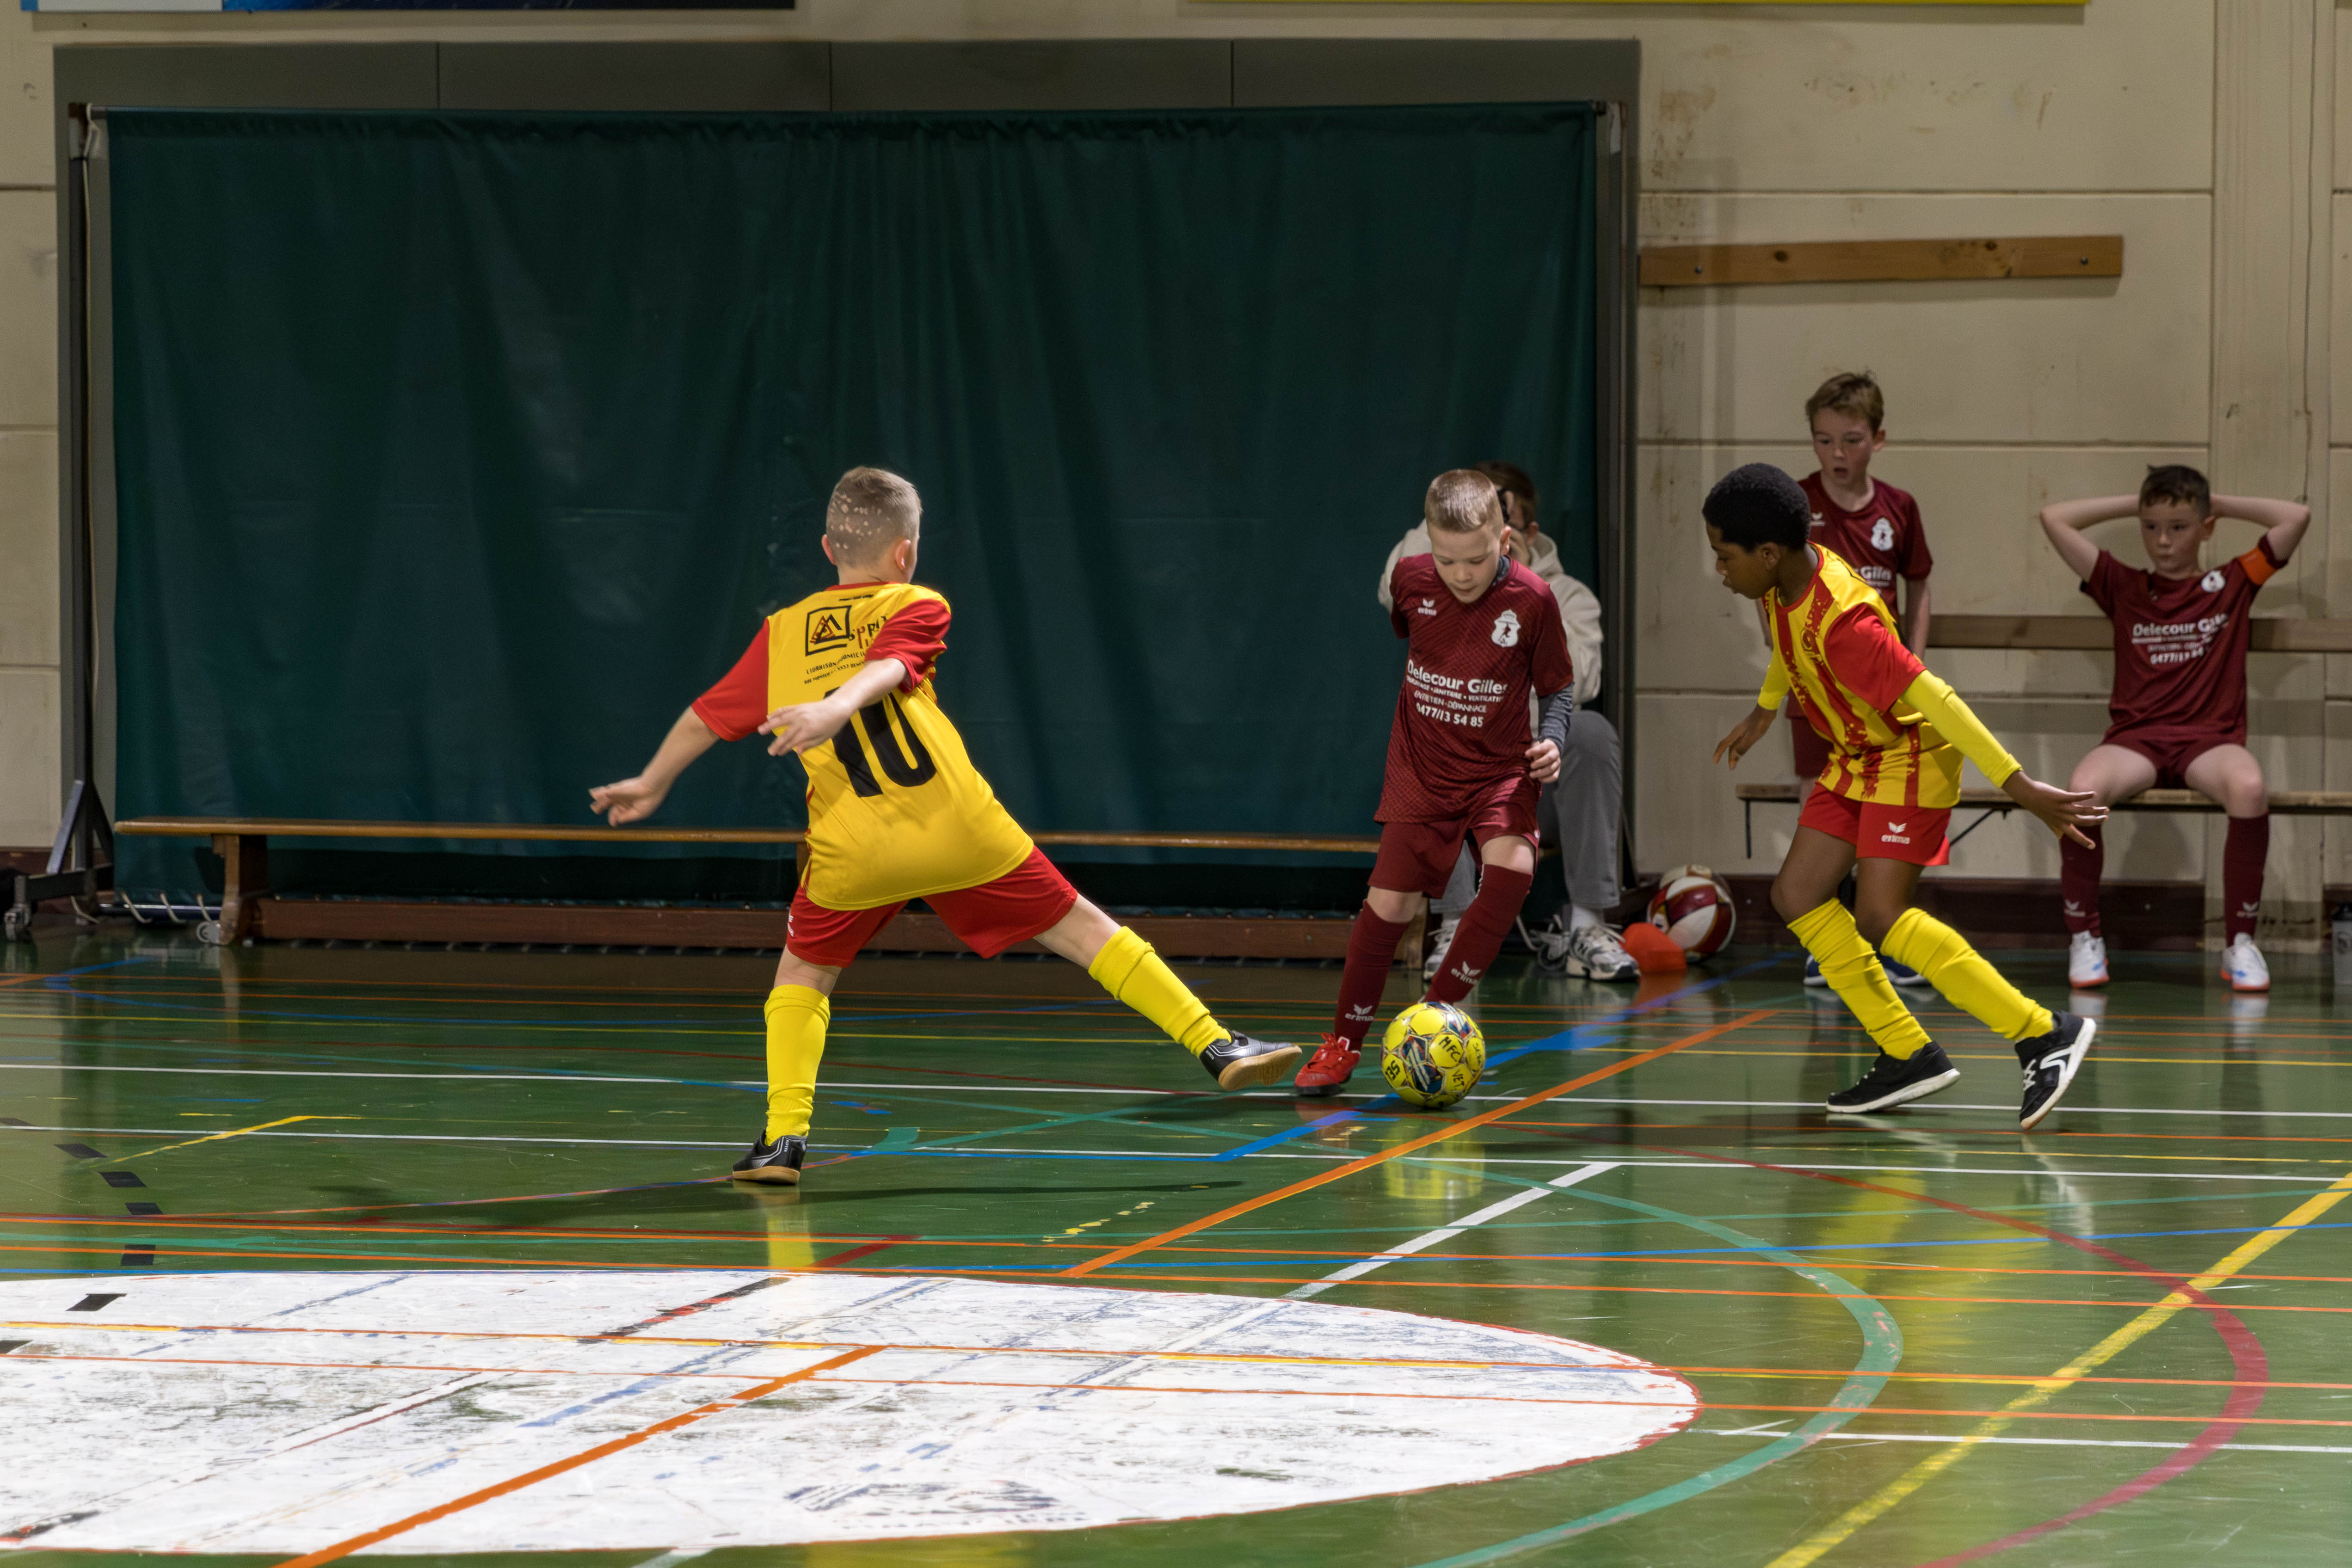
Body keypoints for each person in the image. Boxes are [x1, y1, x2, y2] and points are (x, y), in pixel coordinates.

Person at [591, 467, 1299, 1183]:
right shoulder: (917, 601)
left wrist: (651, 781)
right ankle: (1214, 1043)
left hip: (854, 847)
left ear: (828, 547)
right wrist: (841, 703)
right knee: (1083, 930)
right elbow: (891, 665)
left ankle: (782, 1142)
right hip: (956, 828)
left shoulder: (783, 633)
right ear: (905, 551)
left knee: (804, 973)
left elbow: (705, 716)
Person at [1706, 463, 2102, 1129]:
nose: (1719, 569)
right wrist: (1765, 708)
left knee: (1879, 915)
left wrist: (2020, 786)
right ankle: (1906, 1051)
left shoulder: (1848, 625)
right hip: (1856, 754)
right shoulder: (1781, 581)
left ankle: (2042, 1032)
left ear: (1767, 553)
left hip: (1908, 756)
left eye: (1724, 556)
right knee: (1796, 894)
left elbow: (1937, 699)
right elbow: (1786, 644)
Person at [1296, 469, 1574, 1097]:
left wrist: (1554, 740)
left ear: (1504, 540)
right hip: (1422, 767)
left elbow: (1558, 688)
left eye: (1476, 558)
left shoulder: (1533, 599)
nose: (1461, 574)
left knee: (1513, 870)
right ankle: (1342, 1043)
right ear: (1428, 545)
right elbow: (1418, 639)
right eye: (1447, 559)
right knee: (1389, 906)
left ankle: (1433, 1016)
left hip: (1499, 768)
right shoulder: (1410, 579)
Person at [2038, 467, 2310, 992]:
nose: (2163, 541)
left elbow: (2295, 518)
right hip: (2137, 739)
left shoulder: (2234, 581)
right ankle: (2084, 937)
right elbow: (2054, 519)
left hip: (2209, 741)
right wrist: (2139, 502)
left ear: (2206, 528)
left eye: (2179, 527)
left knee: (2249, 786)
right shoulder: (2121, 584)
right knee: (2081, 789)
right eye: (2151, 527)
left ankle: (2240, 944)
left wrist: (2216, 503)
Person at [1374, 459, 1634, 984]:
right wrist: (1444, 521)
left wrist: (1522, 599)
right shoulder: (1441, 581)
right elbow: (1390, 588)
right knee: (1438, 745)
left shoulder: (1565, 596)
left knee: (1591, 732)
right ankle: (1454, 927)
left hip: (1533, 779)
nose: (1468, 566)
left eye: (1489, 536)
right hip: (1462, 772)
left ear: (1518, 535)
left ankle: (1587, 927)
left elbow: (1580, 683)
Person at [1786, 373, 1935, 990]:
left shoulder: (1898, 508)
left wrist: (1913, 666)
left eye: (1850, 440)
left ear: (1878, 439)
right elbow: (1773, 589)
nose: (1837, 454)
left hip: (1883, 694)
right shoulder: (1796, 506)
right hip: (1818, 695)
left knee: (1887, 811)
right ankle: (1827, 945)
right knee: (1822, 810)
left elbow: (1919, 586)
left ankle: (1886, 933)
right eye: (1823, 440)